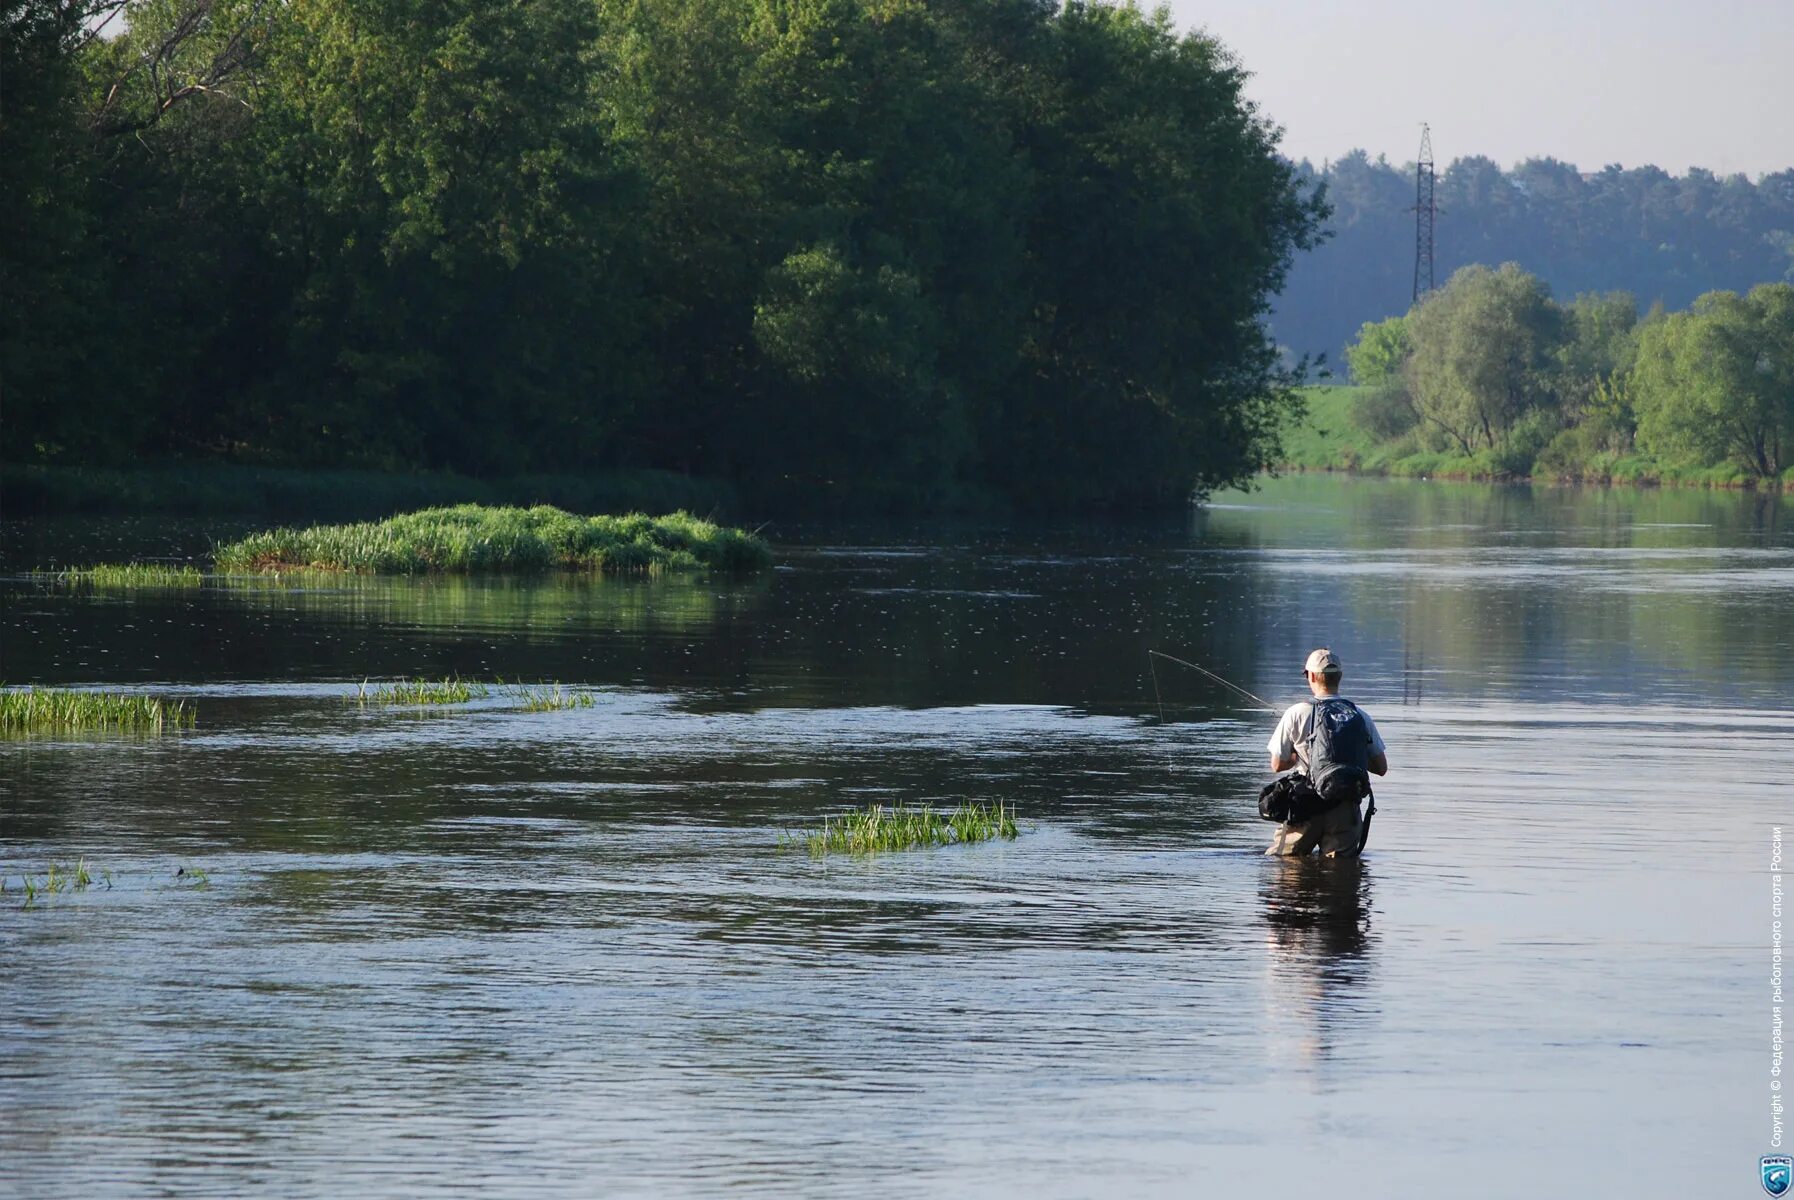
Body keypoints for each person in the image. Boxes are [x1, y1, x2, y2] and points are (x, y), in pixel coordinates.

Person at [1265, 648, 1387, 858]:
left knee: (1287, 870)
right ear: (1339, 677)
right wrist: (1346, 756)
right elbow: (1381, 768)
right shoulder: (1359, 715)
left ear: (1311, 676)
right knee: (1340, 876)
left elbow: (1277, 764)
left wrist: (1299, 755)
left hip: (1305, 805)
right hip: (1345, 806)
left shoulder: (1296, 712)